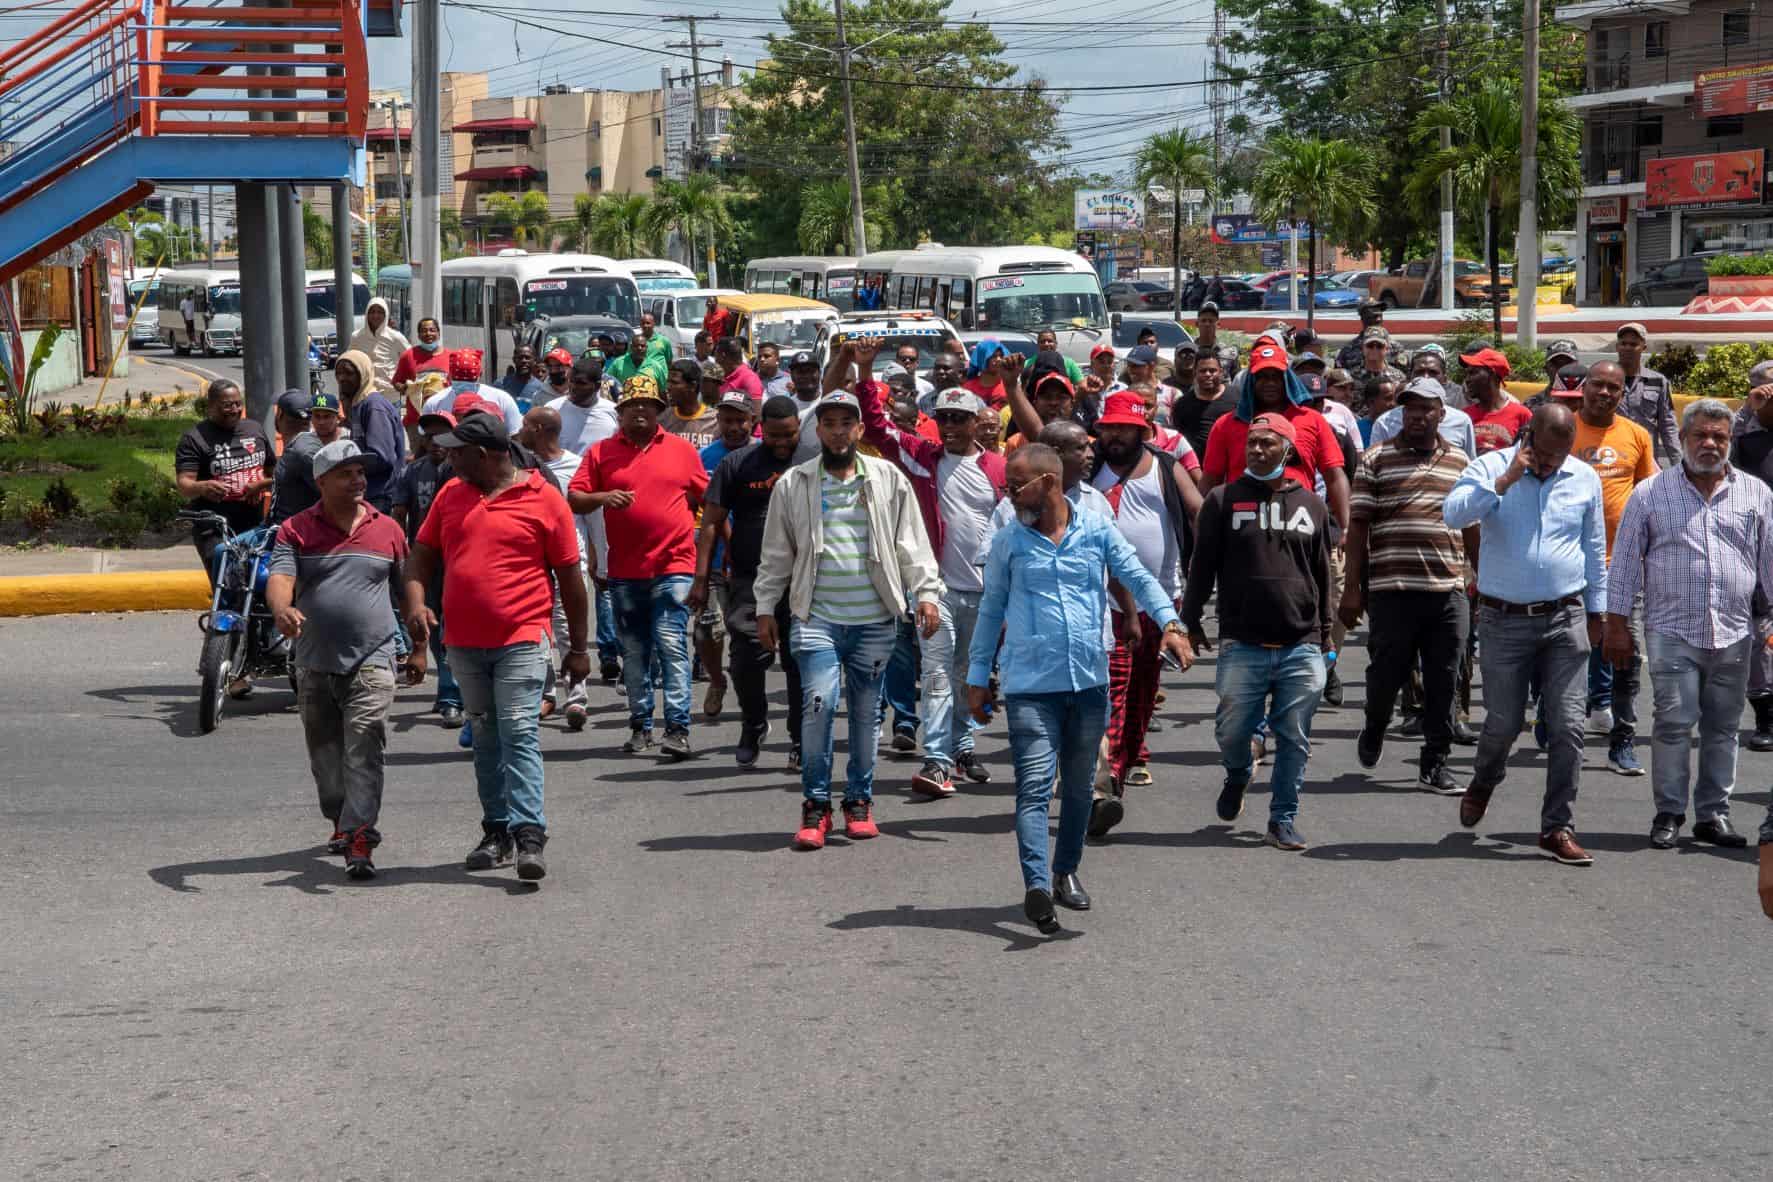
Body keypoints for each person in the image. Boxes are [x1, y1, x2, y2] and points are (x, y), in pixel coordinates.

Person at [970, 443, 1192, 934]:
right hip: (1030, 683)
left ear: (1048, 483)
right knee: (1032, 787)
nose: (1009, 495)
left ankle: (1064, 871)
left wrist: (1172, 623)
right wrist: (977, 676)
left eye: (1017, 485)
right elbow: (991, 612)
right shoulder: (1009, 541)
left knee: (1077, 788)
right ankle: (1034, 884)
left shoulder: (1095, 530)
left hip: (1089, 680)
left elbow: (1138, 575)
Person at [751, 389, 943, 851]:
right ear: (818, 431)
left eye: (846, 423)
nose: (838, 431)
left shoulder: (886, 478)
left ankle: (858, 801)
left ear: (859, 429)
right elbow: (776, 553)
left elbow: (911, 544)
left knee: (865, 713)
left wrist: (927, 594)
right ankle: (815, 805)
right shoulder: (794, 484)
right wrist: (764, 606)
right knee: (818, 704)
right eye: (829, 423)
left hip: (875, 620)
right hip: (815, 616)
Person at [404, 410, 589, 883]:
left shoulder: (545, 499)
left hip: (521, 637)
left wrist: (579, 648)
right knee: (485, 737)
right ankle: (496, 831)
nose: (447, 455)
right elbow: (421, 554)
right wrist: (417, 604)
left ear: (483, 455)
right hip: (463, 643)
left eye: (457, 450)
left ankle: (530, 835)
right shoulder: (451, 494)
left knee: (519, 731)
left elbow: (571, 578)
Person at [1443, 403, 1608, 867]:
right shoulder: (1491, 465)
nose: (1554, 463)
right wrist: (1504, 482)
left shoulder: (1583, 478)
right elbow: (1453, 515)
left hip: (1565, 617)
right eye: (1547, 452)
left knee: (1569, 724)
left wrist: (1599, 611)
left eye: (1563, 454)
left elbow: (1594, 548)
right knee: (1504, 722)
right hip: (1503, 619)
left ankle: (1557, 826)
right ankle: (1484, 778)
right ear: (1529, 435)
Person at [1606, 399, 1773, 850]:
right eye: (1700, 435)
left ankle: (1713, 814)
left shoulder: (1755, 493)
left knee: (1722, 727)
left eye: (1719, 436)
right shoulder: (1650, 493)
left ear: (1730, 440)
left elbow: (1769, 562)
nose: (1709, 444)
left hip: (1736, 631)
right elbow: (1623, 564)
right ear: (1681, 439)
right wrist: (1616, 624)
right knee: (1674, 724)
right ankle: (1669, 812)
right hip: (1671, 631)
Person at [855, 340, 1007, 795]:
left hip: (987, 594)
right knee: (939, 675)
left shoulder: (999, 469)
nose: (951, 426)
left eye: (960, 418)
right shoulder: (923, 458)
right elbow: (878, 428)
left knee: (967, 675)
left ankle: (962, 747)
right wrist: (865, 373)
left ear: (978, 421)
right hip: (935, 590)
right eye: (944, 418)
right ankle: (937, 759)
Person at [1180, 412, 1332, 851]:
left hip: (1300, 644)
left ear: (1288, 450)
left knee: (1294, 737)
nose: (1258, 449)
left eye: (1268, 443)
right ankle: (1239, 770)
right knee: (1232, 730)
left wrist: (1327, 636)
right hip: (1242, 642)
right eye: (1252, 443)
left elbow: (1323, 575)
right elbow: (1201, 567)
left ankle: (1282, 819)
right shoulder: (1223, 500)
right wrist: (1189, 622)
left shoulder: (1311, 505)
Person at [266, 439, 406, 880]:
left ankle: (360, 835)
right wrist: (282, 610)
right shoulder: (295, 530)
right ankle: (340, 818)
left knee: (364, 744)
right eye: (347, 473)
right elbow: (280, 577)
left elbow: (409, 587)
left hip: (374, 656)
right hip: (314, 661)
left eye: (361, 472)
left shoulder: (388, 530)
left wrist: (419, 642)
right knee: (327, 762)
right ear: (321, 481)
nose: (358, 480)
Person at [1340, 377, 1477, 794]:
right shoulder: (1376, 459)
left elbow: (1471, 525)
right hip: (1391, 589)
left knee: (1444, 678)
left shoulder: (1460, 461)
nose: (1417, 416)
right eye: (1410, 409)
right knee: (1387, 673)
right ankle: (1375, 725)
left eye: (1426, 409)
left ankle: (1434, 762)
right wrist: (1351, 589)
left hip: (1447, 590)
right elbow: (1358, 526)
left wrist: (1481, 577)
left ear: (1442, 413)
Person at [567, 373, 707, 760]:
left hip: (674, 564)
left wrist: (711, 564)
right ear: (621, 413)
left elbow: (708, 499)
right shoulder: (600, 452)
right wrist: (602, 496)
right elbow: (574, 498)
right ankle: (640, 725)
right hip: (626, 570)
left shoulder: (681, 450)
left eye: (648, 405)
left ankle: (677, 729)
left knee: (671, 643)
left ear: (660, 411)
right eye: (632, 406)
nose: (640, 411)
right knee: (634, 652)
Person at [1088, 390, 1205, 824]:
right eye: (1108, 427)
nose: (1114, 435)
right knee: (1110, 693)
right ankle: (1102, 784)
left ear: (1143, 429)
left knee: (1142, 695)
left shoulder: (1166, 467)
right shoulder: (1089, 470)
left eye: (1123, 427)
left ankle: (1120, 766)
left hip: (1162, 603)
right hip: (1106, 606)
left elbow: (1199, 513)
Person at [692, 395, 807, 768]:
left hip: (803, 581)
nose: (780, 442)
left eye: (788, 435)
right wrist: (701, 577)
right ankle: (753, 723)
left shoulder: (810, 464)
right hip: (748, 580)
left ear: (799, 429)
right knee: (745, 662)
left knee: (799, 663)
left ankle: (800, 738)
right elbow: (710, 521)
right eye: (773, 435)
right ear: (762, 428)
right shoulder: (737, 463)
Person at [1566, 359, 1657, 772]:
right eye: (1598, 385)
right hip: (1566, 562)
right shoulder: (1561, 429)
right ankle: (1558, 723)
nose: (1604, 393)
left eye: (1613, 389)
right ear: (1584, 387)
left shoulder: (1637, 435)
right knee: (1564, 651)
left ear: (1623, 394)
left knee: (1625, 653)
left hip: (1622, 565)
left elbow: (1649, 494)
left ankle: (1622, 739)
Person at [517, 405, 590, 728]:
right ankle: (546, 695)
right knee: (538, 632)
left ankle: (576, 697)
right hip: (531, 562)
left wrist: (599, 556)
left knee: (566, 629)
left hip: (568, 559)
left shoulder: (574, 467)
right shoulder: (517, 465)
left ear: (540, 430)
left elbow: (590, 518)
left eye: (525, 425)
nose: (520, 430)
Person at [687, 390, 757, 723]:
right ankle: (716, 681)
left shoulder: (763, 456)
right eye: (726, 420)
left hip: (753, 562)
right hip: (713, 559)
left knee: (746, 639)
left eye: (739, 420)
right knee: (706, 631)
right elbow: (690, 506)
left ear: (751, 421)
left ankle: (750, 699)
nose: (733, 427)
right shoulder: (703, 457)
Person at [392, 417, 461, 727]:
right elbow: (400, 513)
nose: (435, 441)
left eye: (442, 435)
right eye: (430, 435)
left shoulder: (461, 471)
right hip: (425, 560)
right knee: (429, 624)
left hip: (457, 559)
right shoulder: (411, 471)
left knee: (452, 627)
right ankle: (448, 690)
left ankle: (451, 695)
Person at [175, 379, 276, 581]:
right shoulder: (194, 438)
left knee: (256, 579)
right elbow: (184, 484)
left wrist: (260, 486)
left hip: (252, 521)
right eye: (227, 405)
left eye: (238, 404)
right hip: (214, 525)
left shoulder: (254, 430)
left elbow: (274, 472)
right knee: (226, 581)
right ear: (211, 406)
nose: (234, 410)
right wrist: (202, 487)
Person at [1729, 360, 1773, 751]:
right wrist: (1749, 408)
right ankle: (1766, 715)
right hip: (1756, 546)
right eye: (1765, 388)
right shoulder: (1742, 432)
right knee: (1760, 634)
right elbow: (1716, 457)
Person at [335, 349, 405, 512]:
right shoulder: (358, 404)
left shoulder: (374, 406)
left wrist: (345, 467)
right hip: (368, 491)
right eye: (338, 373)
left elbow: (381, 457)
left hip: (381, 494)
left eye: (349, 373)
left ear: (363, 374)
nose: (342, 378)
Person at [1614, 322, 1680, 469]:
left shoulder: (1658, 381)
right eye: (1623, 343)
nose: (1628, 348)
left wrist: (1679, 464)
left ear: (1643, 347)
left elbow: (1668, 424)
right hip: (1614, 458)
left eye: (1633, 344)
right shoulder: (1606, 380)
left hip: (1647, 460)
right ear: (1616, 346)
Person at [421, 348, 523, 434]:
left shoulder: (503, 400)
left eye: (469, 379)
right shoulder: (434, 403)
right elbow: (426, 439)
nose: (464, 384)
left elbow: (515, 435)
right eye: (459, 379)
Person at [1455, 347, 1531, 454]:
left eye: (1473, 373)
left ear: (1492, 374)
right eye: (1467, 374)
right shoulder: (1464, 416)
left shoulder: (1522, 414)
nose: (1467, 380)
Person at [268, 388, 321, 524]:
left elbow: (331, 491)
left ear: (279, 415)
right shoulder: (298, 445)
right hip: (276, 525)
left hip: (292, 535)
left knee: (222, 547)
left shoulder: (304, 451)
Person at [391, 316, 451, 427]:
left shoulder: (450, 356)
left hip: (443, 421)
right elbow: (396, 382)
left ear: (438, 333)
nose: (428, 334)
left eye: (432, 330)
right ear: (418, 335)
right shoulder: (408, 356)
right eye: (424, 331)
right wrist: (407, 388)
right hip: (415, 422)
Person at [1170, 353, 1233, 455]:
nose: (1207, 374)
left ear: (1221, 372)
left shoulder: (1237, 398)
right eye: (1202, 371)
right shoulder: (1182, 404)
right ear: (1195, 373)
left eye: (1212, 371)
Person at [348, 297, 410, 390]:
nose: (375, 316)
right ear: (367, 314)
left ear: (386, 315)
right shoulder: (357, 336)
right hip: (365, 393)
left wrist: (404, 381)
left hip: (390, 394)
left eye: (380, 312)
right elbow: (349, 360)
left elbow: (410, 358)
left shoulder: (396, 337)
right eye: (372, 312)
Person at [661, 357, 719, 450]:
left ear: (692, 386)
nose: (668, 387)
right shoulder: (663, 420)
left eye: (674, 383)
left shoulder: (715, 421)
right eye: (668, 382)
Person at [1193, 301, 1239, 379]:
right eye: (1203, 321)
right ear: (1197, 324)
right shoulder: (1189, 352)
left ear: (1218, 324)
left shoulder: (1230, 352)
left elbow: (1236, 381)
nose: (1207, 324)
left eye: (1211, 321)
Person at [715, 337, 764, 402]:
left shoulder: (750, 379)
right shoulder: (723, 376)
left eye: (715, 354)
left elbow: (756, 411)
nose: (715, 359)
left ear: (722, 356)